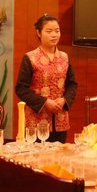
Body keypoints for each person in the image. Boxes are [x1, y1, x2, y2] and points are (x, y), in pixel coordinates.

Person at [15, 14, 77, 143]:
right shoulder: (30, 58)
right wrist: (45, 102)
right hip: (36, 121)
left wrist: (64, 100)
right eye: (49, 31)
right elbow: (21, 89)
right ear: (39, 33)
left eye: (57, 31)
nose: (54, 35)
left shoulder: (64, 57)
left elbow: (72, 84)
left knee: (58, 154)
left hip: (60, 121)